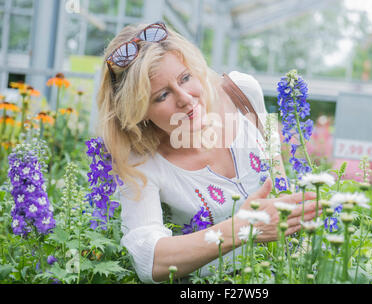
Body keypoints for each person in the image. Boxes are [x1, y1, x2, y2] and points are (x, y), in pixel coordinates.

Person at [96, 21, 321, 283]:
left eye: (185, 78)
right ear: (139, 111)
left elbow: (277, 171)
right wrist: (243, 228)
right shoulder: (139, 159)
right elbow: (148, 259)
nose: (185, 98)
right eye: (162, 95)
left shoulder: (242, 92)